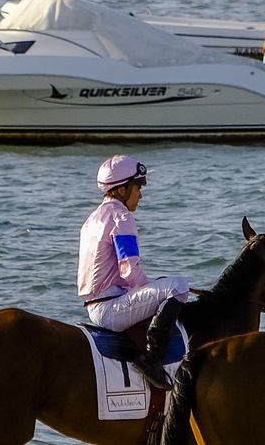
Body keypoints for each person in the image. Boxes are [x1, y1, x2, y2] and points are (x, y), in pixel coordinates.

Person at [77, 155, 189, 389]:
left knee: (163, 284)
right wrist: (153, 286)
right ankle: (152, 358)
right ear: (121, 190)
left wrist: (153, 285)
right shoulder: (121, 216)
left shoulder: (93, 218)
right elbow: (129, 268)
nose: (141, 194)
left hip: (96, 306)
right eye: (138, 187)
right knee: (178, 286)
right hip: (111, 309)